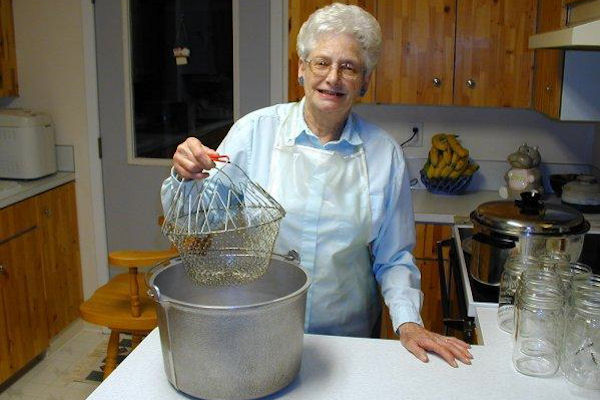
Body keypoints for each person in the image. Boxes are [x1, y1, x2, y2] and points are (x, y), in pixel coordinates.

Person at [161, 2, 472, 368]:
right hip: (261, 322)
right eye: (321, 62)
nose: (333, 77)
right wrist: (185, 176)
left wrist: (408, 323)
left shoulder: (384, 154)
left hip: (348, 338)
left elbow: (395, 257)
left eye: (349, 67)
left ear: (365, 81)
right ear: (301, 70)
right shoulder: (254, 132)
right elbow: (197, 217)